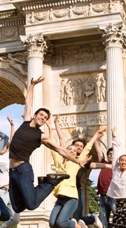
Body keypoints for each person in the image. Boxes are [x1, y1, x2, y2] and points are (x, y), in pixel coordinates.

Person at [8, 77, 79, 213]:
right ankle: (40, 187)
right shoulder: (25, 122)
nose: (43, 118)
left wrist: (77, 161)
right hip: (12, 172)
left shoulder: (42, 136)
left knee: (32, 205)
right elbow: (28, 102)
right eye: (41, 115)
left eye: (45, 118)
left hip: (23, 170)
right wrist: (32, 86)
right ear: (34, 115)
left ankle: (51, 181)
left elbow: (60, 149)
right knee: (17, 208)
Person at [48, 122, 109, 228]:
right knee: (52, 224)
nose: (72, 151)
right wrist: (50, 128)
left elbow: (87, 149)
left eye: (74, 151)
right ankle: (79, 225)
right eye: (70, 149)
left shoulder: (77, 163)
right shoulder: (59, 163)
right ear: (65, 151)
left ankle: (87, 222)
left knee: (62, 222)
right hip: (60, 198)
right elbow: (53, 147)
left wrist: (95, 135)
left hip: (72, 196)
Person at [93, 141, 116, 228]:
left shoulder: (117, 166)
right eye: (110, 154)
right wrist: (95, 140)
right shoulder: (104, 163)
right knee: (104, 224)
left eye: (113, 154)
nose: (111, 155)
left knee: (118, 215)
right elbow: (99, 152)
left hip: (112, 195)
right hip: (102, 196)